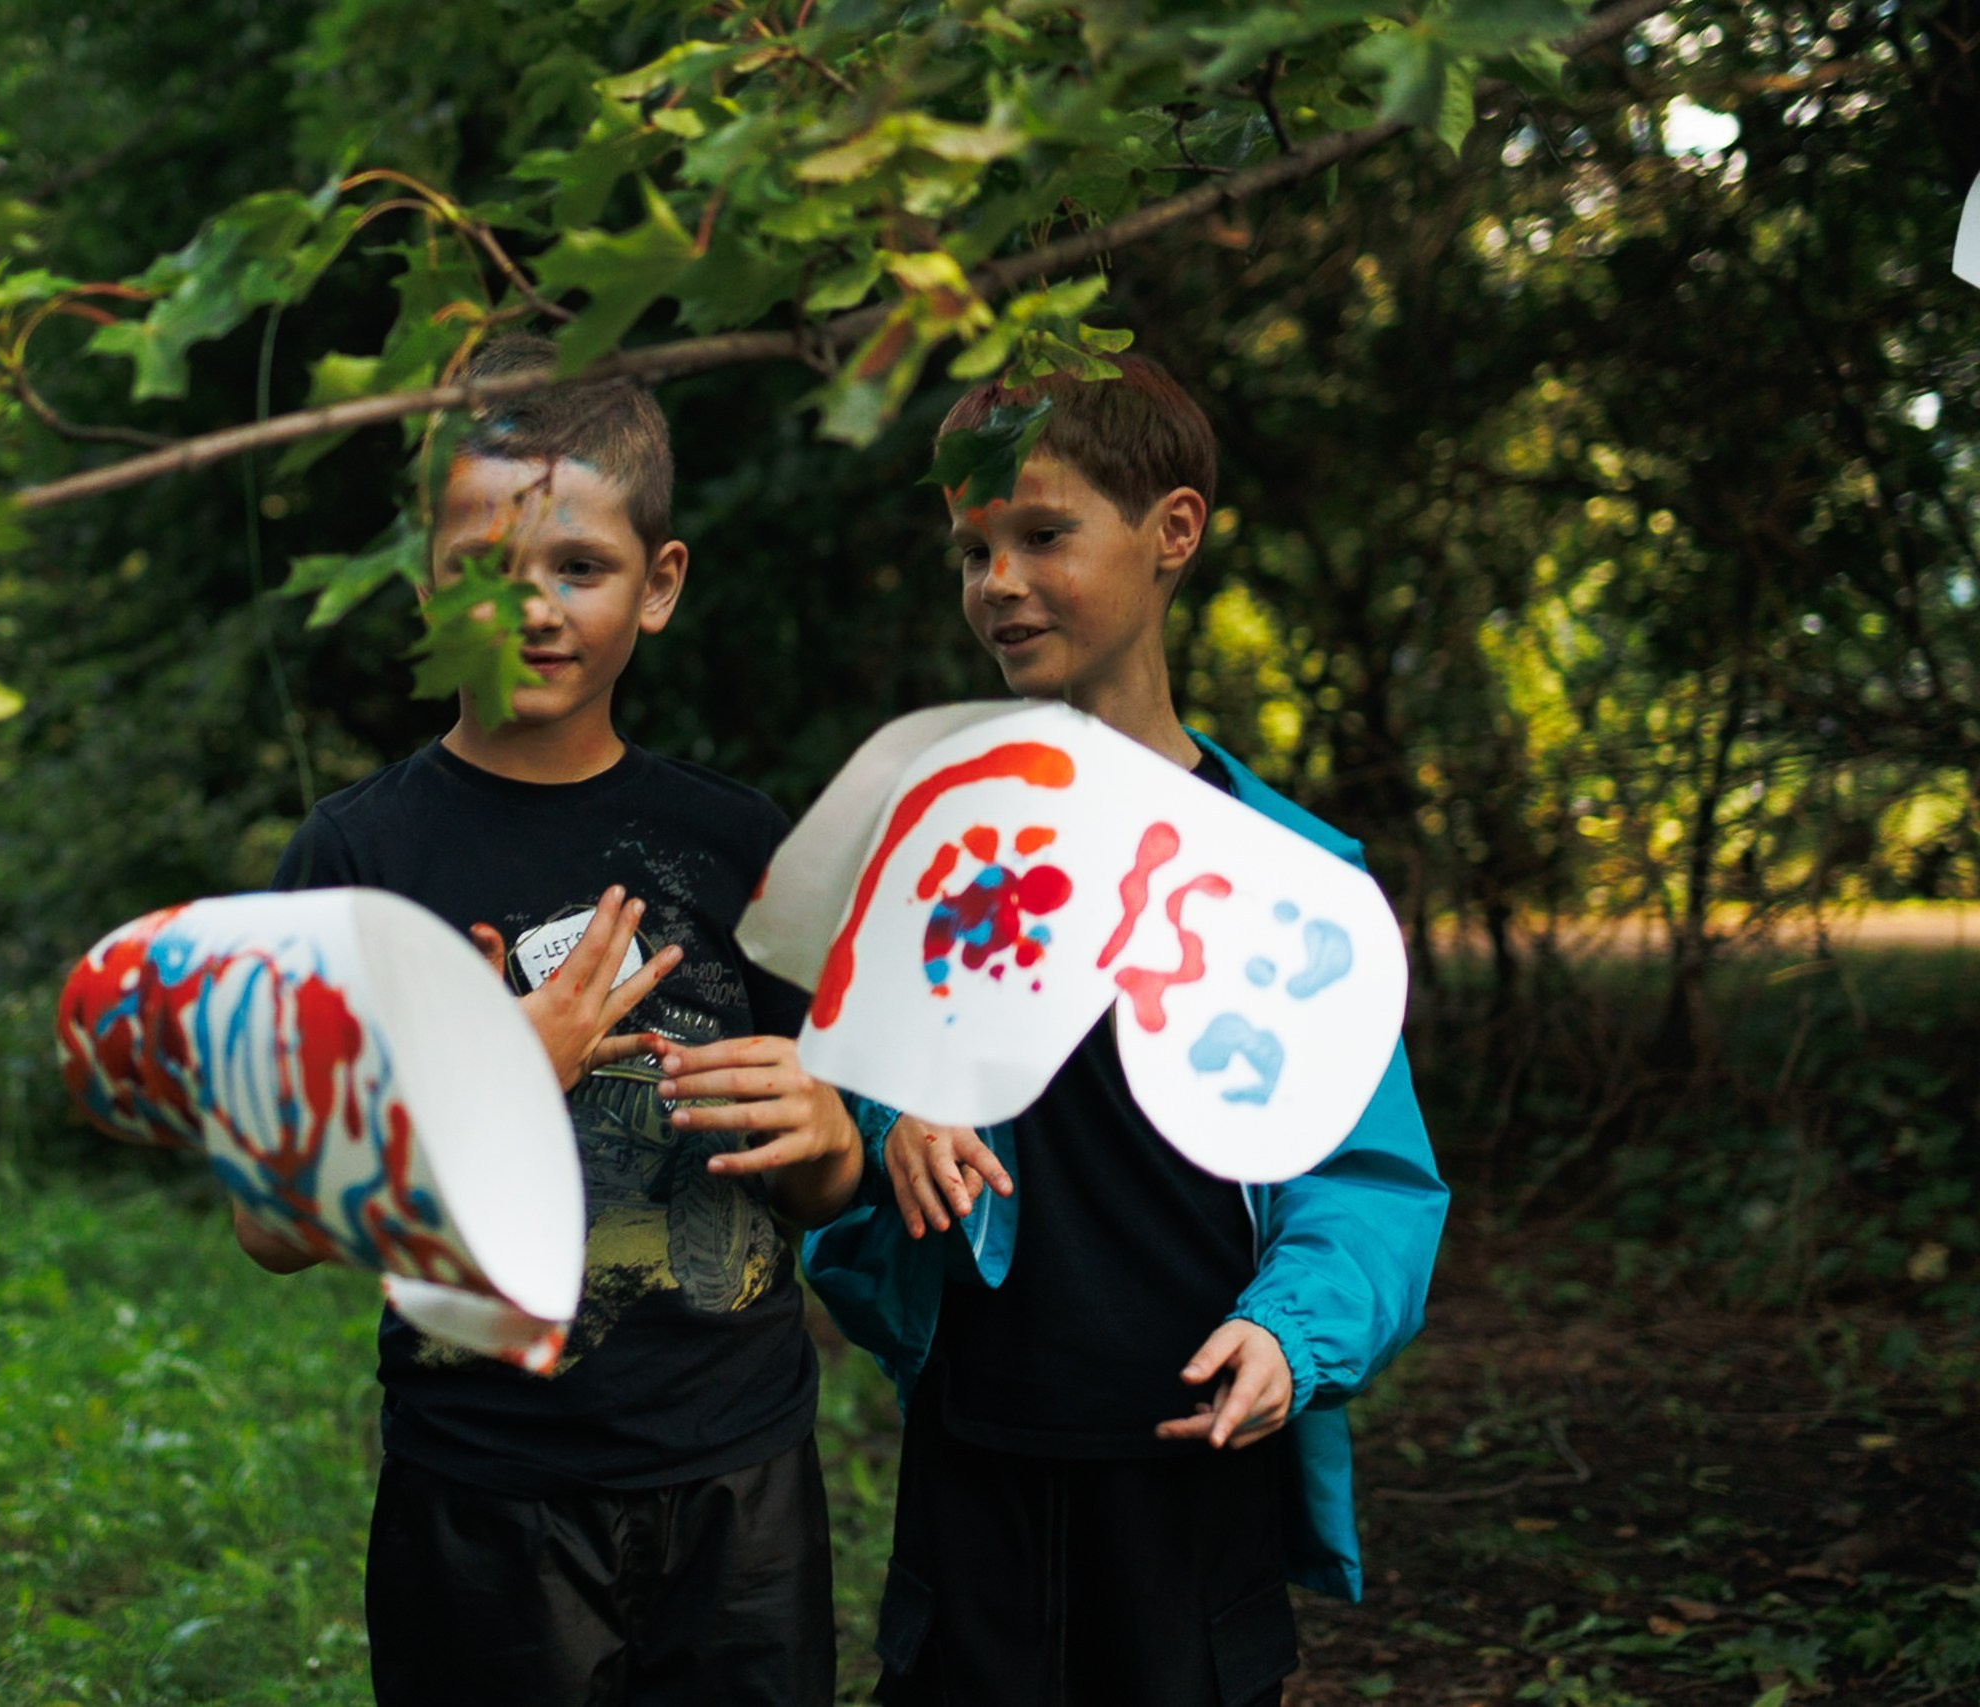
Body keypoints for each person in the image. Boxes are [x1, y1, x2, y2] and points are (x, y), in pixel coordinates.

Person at [801, 357, 1450, 1706]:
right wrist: (892, 1115)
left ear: (1173, 531)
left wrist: (1294, 1337)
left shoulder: (1291, 882)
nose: (1000, 582)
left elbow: (1368, 1184)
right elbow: (840, 1108)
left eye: (1044, 534)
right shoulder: (931, 848)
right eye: (972, 549)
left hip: (1191, 1469)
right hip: (978, 1468)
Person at [233, 334, 865, 1707]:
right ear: (424, 586)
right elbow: (270, 1227)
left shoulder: (741, 847)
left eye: (579, 567)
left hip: (740, 1481)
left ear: (659, 585)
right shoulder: (352, 863)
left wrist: (830, 1134)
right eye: (483, 569)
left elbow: (822, 1179)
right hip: (482, 1494)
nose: (530, 609)